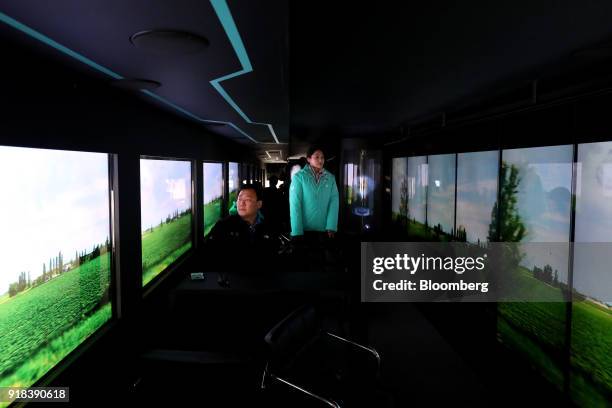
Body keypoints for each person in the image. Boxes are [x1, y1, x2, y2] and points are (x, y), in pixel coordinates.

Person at [206, 184, 280, 272]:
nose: (241, 203)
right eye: (239, 199)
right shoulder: (223, 225)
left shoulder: (270, 226)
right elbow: (209, 254)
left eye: (247, 200)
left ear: (259, 204)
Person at [289, 146, 339, 240]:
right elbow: (295, 205)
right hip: (304, 230)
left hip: (324, 230)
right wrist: (297, 231)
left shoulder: (330, 178)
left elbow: (334, 202)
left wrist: (331, 226)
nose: (320, 160)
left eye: (322, 157)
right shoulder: (299, 177)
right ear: (309, 159)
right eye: (317, 157)